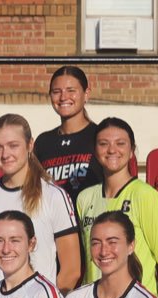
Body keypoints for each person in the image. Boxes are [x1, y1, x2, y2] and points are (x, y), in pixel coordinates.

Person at [0, 113, 81, 294]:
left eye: (13, 145)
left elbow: (71, 271)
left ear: (30, 145)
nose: (5, 154)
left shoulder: (53, 196)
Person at [74, 118, 158, 298]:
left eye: (120, 143)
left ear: (132, 150)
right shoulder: (84, 198)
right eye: (104, 144)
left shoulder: (145, 195)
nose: (112, 150)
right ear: (95, 150)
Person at [34, 66, 104, 199]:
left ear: (86, 94)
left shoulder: (100, 136)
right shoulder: (43, 142)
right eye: (56, 92)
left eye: (71, 90)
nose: (63, 97)